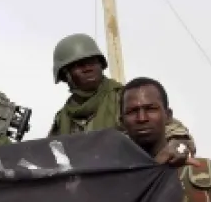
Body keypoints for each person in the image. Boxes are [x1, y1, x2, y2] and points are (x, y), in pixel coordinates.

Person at [49, 34, 195, 166]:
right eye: (79, 65)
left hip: (128, 176)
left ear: (101, 64)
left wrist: (179, 145)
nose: (88, 68)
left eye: (92, 62)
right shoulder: (63, 118)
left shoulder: (124, 98)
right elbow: (49, 153)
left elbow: (170, 128)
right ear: (65, 74)